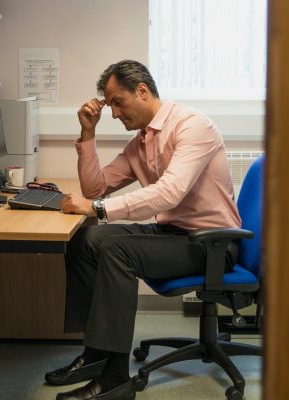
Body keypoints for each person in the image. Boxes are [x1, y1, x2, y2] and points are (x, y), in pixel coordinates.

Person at [45, 60, 241, 400]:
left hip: (212, 243)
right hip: (174, 234)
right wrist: (88, 134)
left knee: (117, 250)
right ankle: (96, 355)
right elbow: (95, 188)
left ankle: (116, 379)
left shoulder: (192, 126)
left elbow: (169, 193)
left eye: (118, 102)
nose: (114, 113)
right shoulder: (141, 143)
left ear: (142, 90)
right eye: (110, 106)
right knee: (87, 239)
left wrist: (98, 209)